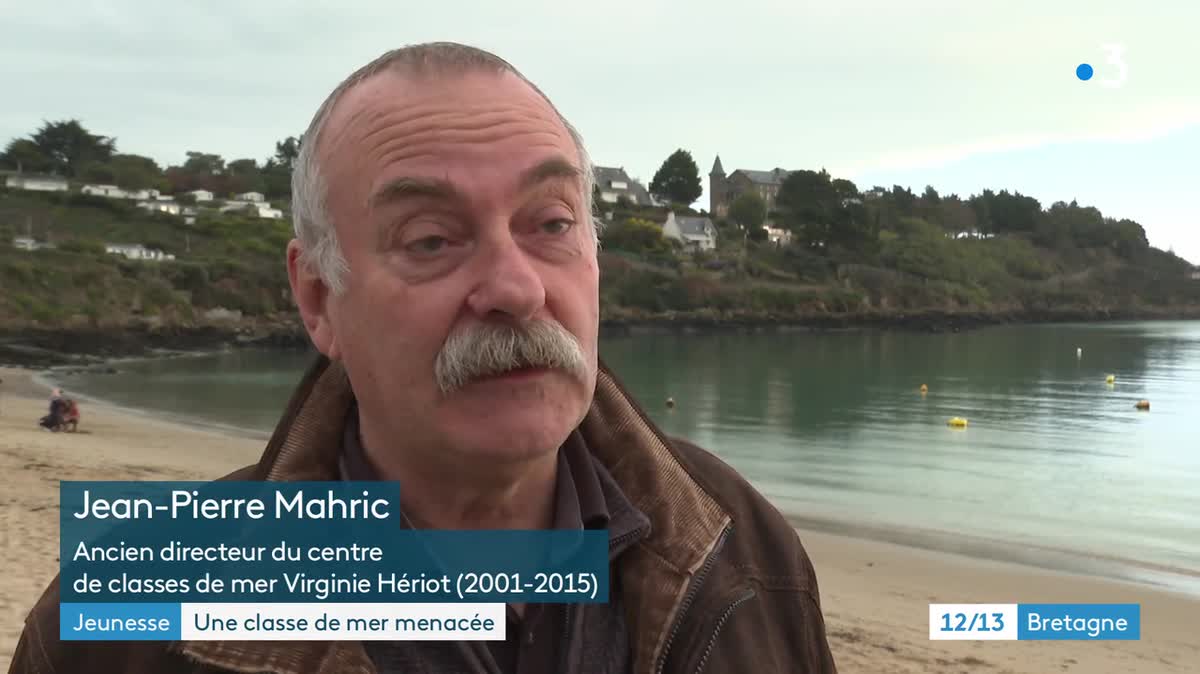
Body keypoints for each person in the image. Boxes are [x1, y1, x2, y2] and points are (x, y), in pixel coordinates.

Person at [8, 42, 837, 673]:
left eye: (549, 223)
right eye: (432, 239)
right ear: (318, 298)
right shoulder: (130, 605)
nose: (515, 288)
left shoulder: (744, 541)